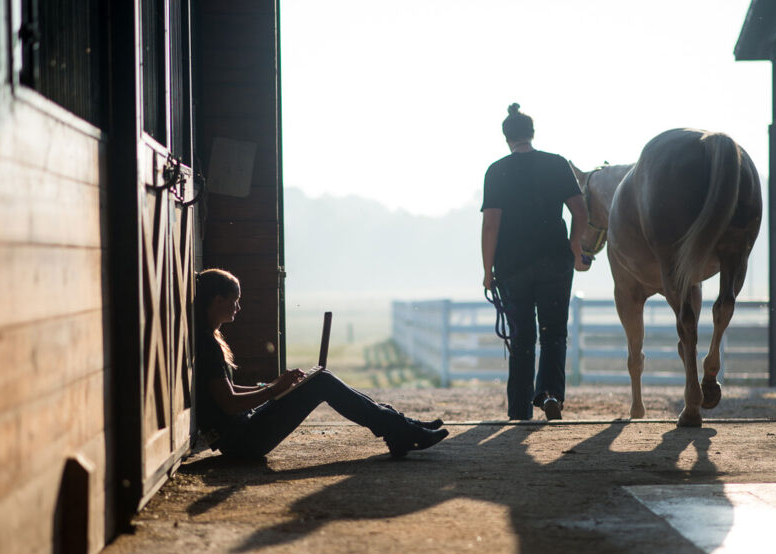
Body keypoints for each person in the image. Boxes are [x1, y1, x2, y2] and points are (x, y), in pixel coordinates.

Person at [195, 268, 448, 464]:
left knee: (319, 380)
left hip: (242, 432)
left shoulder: (210, 339)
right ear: (217, 300)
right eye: (234, 300)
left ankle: (401, 427)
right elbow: (228, 403)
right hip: (242, 442)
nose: (238, 308)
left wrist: (276, 385)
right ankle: (401, 430)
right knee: (322, 382)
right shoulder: (207, 344)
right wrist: (273, 391)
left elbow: (229, 390)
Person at [480, 103, 591, 421]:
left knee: (521, 337)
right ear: (532, 133)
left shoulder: (497, 170)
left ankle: (518, 410)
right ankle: (551, 394)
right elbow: (580, 213)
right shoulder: (556, 164)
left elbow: (491, 226)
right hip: (555, 262)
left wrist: (488, 271)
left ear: (506, 138)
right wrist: (573, 245)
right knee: (555, 332)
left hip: (512, 266)